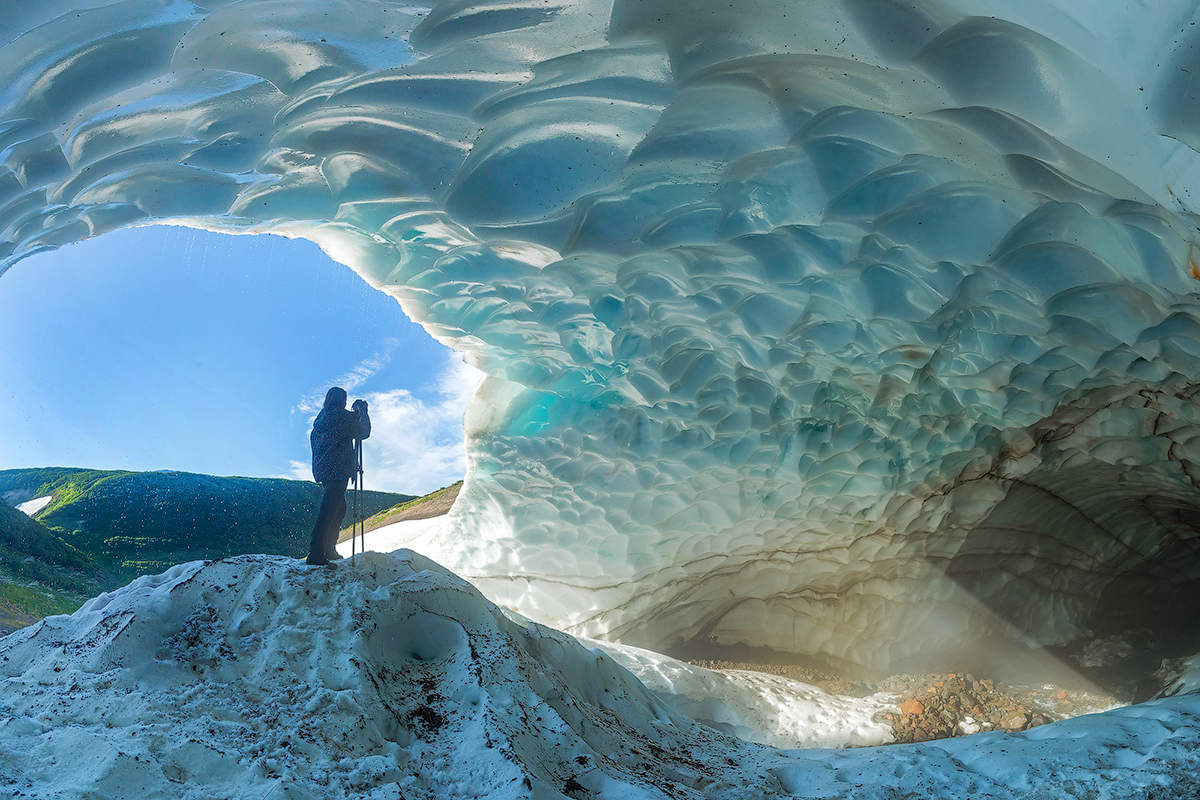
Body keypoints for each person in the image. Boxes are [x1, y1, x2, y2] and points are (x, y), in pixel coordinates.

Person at [306, 386, 370, 565]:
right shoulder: (342, 417)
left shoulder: (321, 420)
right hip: (339, 469)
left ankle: (328, 548)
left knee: (338, 507)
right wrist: (362, 410)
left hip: (324, 470)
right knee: (329, 509)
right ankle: (316, 552)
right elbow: (363, 431)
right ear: (342, 400)